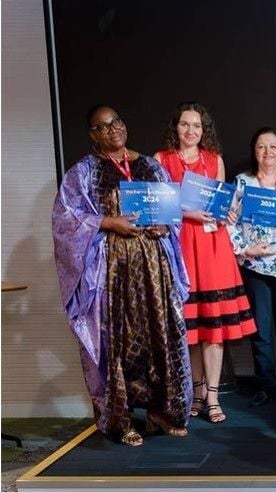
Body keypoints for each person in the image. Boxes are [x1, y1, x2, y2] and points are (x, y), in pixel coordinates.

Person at [52, 105, 192, 446]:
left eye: (115, 121)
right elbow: (65, 218)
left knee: (161, 335)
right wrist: (107, 222)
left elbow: (172, 213)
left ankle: (162, 412)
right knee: (117, 342)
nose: (112, 129)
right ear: (93, 134)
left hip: (154, 270)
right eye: (102, 126)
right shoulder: (84, 173)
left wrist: (165, 226)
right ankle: (121, 419)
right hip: (112, 272)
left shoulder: (151, 167)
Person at [155, 102, 254, 425]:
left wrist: (229, 212)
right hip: (181, 245)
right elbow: (159, 206)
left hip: (213, 247)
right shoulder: (161, 160)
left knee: (214, 328)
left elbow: (221, 206)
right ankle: (195, 394)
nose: (191, 130)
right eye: (185, 124)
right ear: (176, 127)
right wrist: (189, 213)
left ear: (204, 130)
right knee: (191, 329)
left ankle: (212, 396)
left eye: (197, 125)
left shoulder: (215, 160)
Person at [229, 127, 276, 407]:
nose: (267, 152)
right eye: (261, 146)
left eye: (273, 146)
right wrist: (244, 249)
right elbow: (230, 221)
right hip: (254, 264)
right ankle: (265, 384)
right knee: (261, 329)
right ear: (254, 151)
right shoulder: (242, 182)